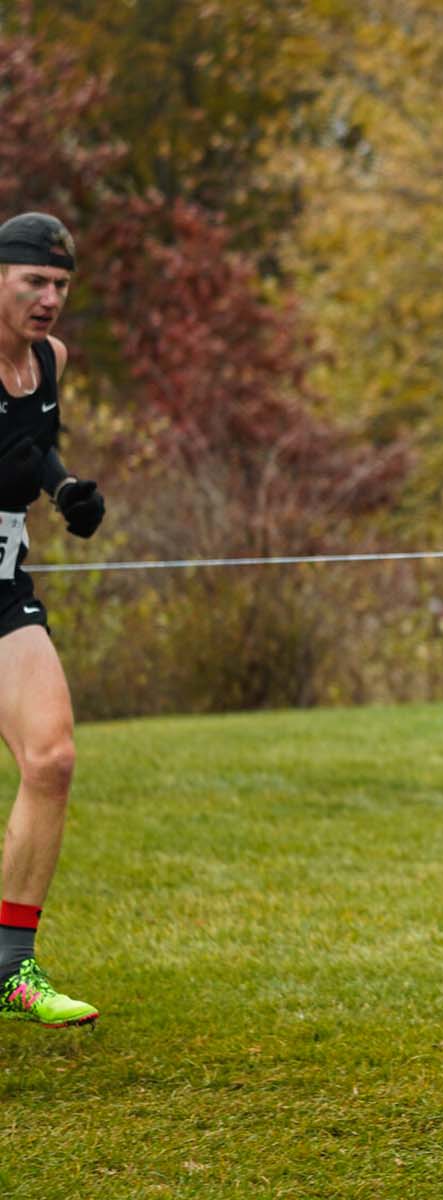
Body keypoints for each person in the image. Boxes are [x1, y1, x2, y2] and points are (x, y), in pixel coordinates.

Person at [0, 212, 107, 1029]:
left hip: (3, 582)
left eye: (61, 287)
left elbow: (31, 448)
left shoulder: (49, 362)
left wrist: (67, 489)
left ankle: (9, 968)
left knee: (53, 757)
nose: (49, 299)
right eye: (34, 280)